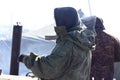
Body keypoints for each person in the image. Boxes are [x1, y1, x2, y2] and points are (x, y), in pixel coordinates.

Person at [18, 7, 96, 80]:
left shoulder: (68, 43)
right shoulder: (82, 40)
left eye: (57, 19)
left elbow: (49, 68)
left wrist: (27, 59)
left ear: (63, 21)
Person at [81, 16, 120, 80]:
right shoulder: (112, 38)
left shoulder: (85, 40)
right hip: (108, 76)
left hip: (90, 76)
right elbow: (118, 57)